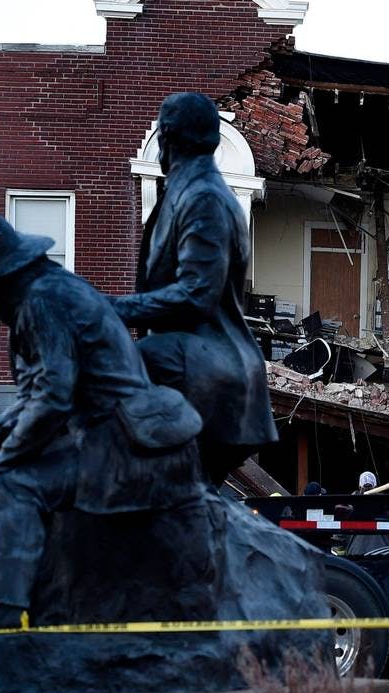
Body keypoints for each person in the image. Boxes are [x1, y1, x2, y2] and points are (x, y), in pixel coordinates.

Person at [0, 212, 204, 630]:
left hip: (121, 441)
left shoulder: (42, 301)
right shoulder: (37, 294)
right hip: (88, 431)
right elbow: (35, 396)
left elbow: (53, 399)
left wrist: (3, 457)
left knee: (9, 485)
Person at [111, 92, 277, 485]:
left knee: (115, 371)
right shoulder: (183, 193)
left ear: (167, 138)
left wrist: (113, 309)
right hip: (198, 357)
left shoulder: (203, 199)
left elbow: (197, 293)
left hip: (210, 365)